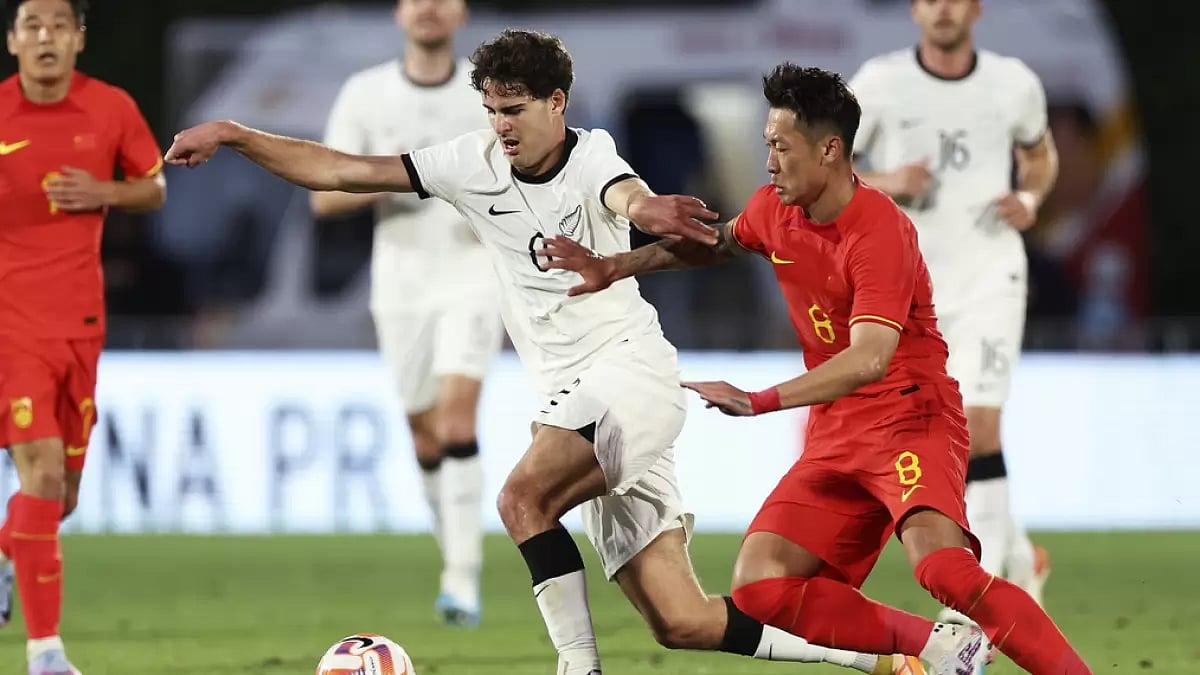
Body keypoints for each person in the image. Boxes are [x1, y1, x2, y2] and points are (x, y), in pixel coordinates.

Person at [166, 28, 924, 675]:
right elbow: (341, 171)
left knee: (520, 498)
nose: (500, 124)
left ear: (556, 104)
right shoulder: (470, 163)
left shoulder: (593, 156)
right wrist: (235, 135)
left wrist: (649, 208)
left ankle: (577, 666)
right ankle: (891, 658)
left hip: (629, 374)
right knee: (680, 620)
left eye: (515, 108)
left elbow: (626, 196)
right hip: (577, 395)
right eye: (492, 108)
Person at [536, 63, 1091, 675]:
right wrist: (617, 265)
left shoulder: (880, 230)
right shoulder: (776, 210)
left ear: (829, 149)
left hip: (910, 416)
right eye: (766, 146)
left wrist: (760, 399)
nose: (768, 162)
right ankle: (943, 648)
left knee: (943, 570)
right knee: (761, 586)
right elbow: (718, 243)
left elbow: (870, 359)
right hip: (838, 431)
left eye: (780, 147)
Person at [847, 0, 1059, 622]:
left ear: (976, 8)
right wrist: (890, 182)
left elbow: (1040, 155)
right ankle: (1018, 556)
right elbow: (829, 169)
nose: (942, 9)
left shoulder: (1013, 82)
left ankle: (977, 607)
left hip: (991, 270)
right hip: (908, 284)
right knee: (931, 431)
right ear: (915, 10)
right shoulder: (879, 82)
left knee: (979, 422)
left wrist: (1029, 195)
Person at [312, 0, 500, 627]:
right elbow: (323, 195)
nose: (428, 8)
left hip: (473, 275)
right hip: (400, 284)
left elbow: (533, 169)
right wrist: (394, 174)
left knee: (455, 417)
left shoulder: (489, 91)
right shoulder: (365, 94)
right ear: (398, 12)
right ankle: (454, 548)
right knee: (423, 431)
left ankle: (462, 579)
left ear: (461, 12)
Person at [0, 0, 168, 673]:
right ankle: (45, 653)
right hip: (11, 326)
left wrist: (103, 190)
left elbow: (152, 188)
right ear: (13, 40)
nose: (45, 39)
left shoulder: (111, 109)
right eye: (32, 27)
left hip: (82, 324)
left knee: (60, 496)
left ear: (79, 39)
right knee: (38, 470)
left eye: (58, 27)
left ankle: (9, 552)